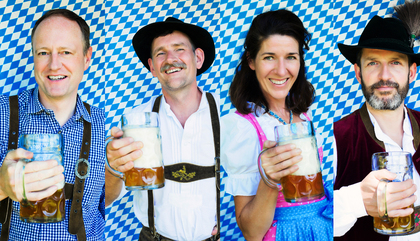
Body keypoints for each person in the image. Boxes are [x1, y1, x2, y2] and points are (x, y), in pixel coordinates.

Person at [333, 1, 420, 240]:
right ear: (358, 73)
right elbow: (309, 220)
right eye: (373, 63)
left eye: (395, 63)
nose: (384, 76)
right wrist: (358, 201)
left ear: (411, 72)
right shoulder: (334, 138)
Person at [221, 9, 333, 241]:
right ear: (251, 61)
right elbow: (251, 233)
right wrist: (269, 180)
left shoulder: (304, 115)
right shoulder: (241, 127)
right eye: (269, 57)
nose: (282, 71)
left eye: (291, 57)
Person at [104, 17, 220, 241]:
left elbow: (247, 183)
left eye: (179, 49)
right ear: (152, 67)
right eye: (160, 53)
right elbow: (106, 199)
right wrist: (112, 168)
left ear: (198, 58)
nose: (170, 59)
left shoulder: (225, 118)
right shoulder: (133, 123)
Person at [0, 9, 105, 241]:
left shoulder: (102, 124)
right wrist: (2, 187)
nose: (54, 65)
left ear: (87, 57)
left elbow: (107, 200)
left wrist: (117, 172)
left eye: (66, 52)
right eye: (43, 53)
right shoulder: (3, 113)